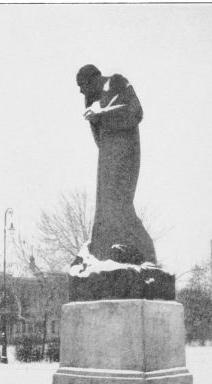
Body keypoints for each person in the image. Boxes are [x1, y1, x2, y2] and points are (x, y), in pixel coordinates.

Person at [76, 64, 156, 264]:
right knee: (105, 206)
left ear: (92, 80)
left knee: (119, 204)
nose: (81, 91)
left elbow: (135, 112)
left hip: (125, 155)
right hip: (108, 158)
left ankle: (144, 252)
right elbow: (100, 139)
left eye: (82, 85)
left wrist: (101, 117)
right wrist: (95, 119)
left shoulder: (116, 82)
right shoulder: (92, 102)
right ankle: (104, 251)